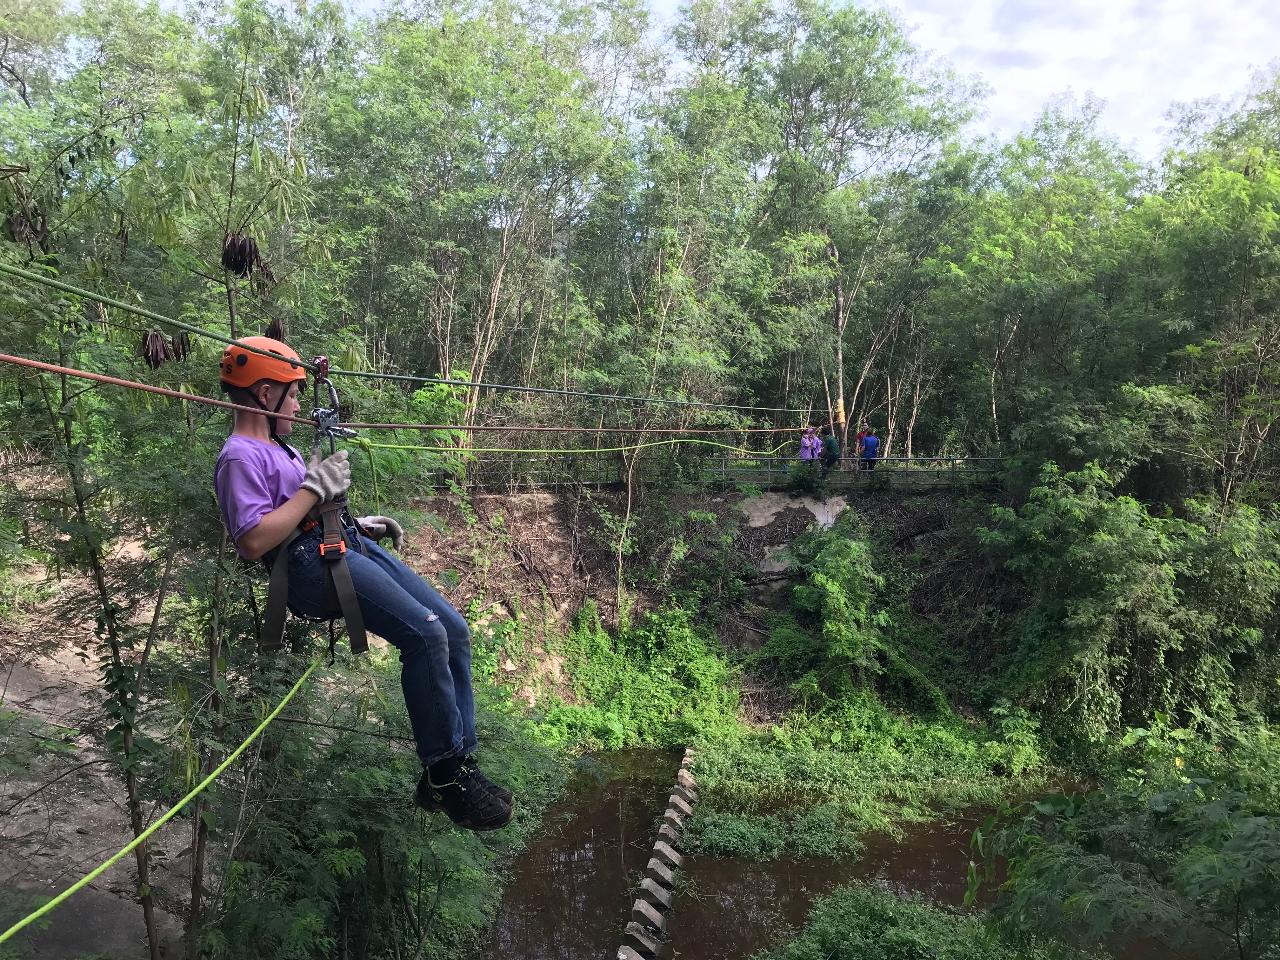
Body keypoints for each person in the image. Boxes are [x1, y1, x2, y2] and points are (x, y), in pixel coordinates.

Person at [212, 336, 514, 832]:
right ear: (264, 395)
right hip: (310, 567)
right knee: (425, 635)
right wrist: (314, 489)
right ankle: (442, 773)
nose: (298, 407)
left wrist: (356, 521)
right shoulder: (240, 456)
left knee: (454, 630)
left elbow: (303, 510)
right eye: (292, 396)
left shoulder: (277, 446)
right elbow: (252, 539)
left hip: (341, 542)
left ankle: (461, 763)